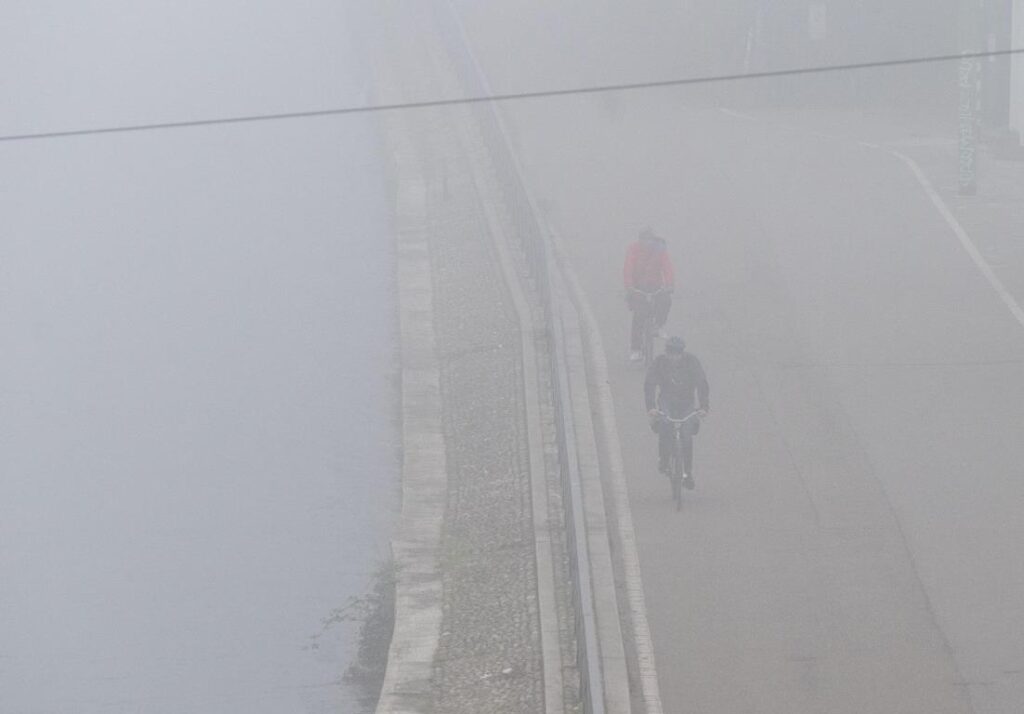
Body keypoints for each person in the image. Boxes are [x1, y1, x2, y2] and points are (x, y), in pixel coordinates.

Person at [644, 336, 709, 488]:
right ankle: (664, 459)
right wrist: (651, 407)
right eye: (671, 353)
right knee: (665, 426)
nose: (674, 356)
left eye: (677, 353)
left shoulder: (692, 362)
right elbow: (650, 384)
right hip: (666, 401)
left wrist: (704, 407)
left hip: (686, 403)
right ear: (666, 352)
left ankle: (687, 473)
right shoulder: (659, 362)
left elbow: (702, 383)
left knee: (686, 437)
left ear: (682, 353)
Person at [623, 227, 675, 361]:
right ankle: (636, 349)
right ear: (639, 240)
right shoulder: (633, 249)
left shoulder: (660, 250)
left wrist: (669, 285)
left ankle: (658, 325)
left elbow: (667, 267)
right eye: (643, 240)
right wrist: (629, 286)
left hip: (655, 286)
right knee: (639, 315)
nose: (646, 243)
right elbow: (628, 268)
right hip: (637, 287)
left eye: (649, 240)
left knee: (666, 301)